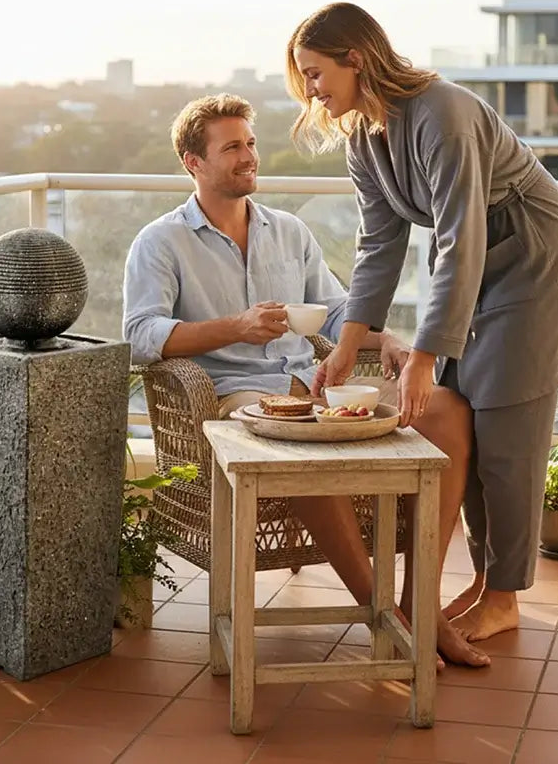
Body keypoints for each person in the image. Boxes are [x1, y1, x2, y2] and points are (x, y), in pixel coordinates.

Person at [122, 92, 490, 667]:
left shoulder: (289, 231)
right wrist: (234, 328)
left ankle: (422, 604)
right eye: (231, 148)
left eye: (250, 143)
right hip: (237, 398)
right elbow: (140, 335)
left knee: (446, 408)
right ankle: (383, 610)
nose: (249, 157)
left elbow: (340, 312)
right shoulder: (159, 242)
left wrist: (389, 340)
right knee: (294, 443)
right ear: (193, 163)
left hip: (311, 384)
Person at [287, 3, 558, 642]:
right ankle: (490, 582)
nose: (312, 92)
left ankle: (504, 592)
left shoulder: (443, 114)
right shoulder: (363, 139)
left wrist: (426, 358)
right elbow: (378, 244)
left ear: (357, 58)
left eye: (316, 74)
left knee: (504, 425)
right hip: (473, 263)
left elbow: (460, 237)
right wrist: (348, 348)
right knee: (472, 420)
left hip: (530, 256)